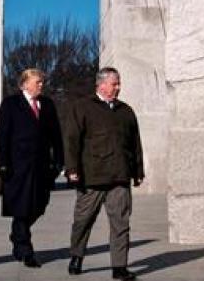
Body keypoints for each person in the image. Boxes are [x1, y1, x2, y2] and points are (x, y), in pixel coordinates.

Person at [63, 67, 143, 280]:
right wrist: (72, 169)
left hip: (120, 176)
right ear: (101, 84)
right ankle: (77, 256)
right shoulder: (82, 107)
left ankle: (119, 267)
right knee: (83, 220)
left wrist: (138, 171)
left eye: (119, 83)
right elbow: (71, 140)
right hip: (92, 176)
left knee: (121, 223)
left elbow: (135, 144)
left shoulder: (126, 110)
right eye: (114, 83)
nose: (118, 87)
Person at [0, 68, 64, 268]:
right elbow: (2, 135)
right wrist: (2, 163)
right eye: (37, 82)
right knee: (22, 207)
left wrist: (59, 160)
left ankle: (17, 232)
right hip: (18, 166)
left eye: (42, 82)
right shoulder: (10, 104)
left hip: (42, 166)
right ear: (24, 84)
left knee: (39, 205)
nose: (41, 85)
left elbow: (56, 136)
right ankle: (26, 251)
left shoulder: (48, 104)